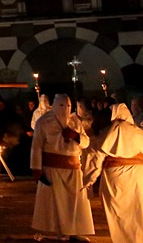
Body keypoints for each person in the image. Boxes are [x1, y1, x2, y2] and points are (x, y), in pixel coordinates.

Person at [31, 94, 94, 242]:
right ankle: (57, 231)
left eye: (68, 106)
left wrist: (75, 136)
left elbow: (86, 142)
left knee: (74, 201)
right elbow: (36, 146)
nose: (65, 109)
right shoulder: (43, 121)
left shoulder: (75, 122)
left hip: (73, 168)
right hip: (52, 169)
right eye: (61, 106)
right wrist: (36, 168)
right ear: (54, 105)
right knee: (55, 202)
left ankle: (73, 230)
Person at [82, 103, 143, 243]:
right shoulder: (139, 132)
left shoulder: (106, 133)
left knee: (119, 215)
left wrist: (88, 180)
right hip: (139, 178)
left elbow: (94, 159)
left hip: (115, 179)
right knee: (138, 211)